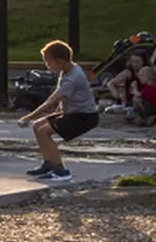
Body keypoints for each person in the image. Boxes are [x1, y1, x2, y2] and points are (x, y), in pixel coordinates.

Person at [21, 39, 98, 181]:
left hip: (84, 117)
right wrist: (55, 113)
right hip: (71, 112)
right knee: (37, 126)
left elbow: (51, 100)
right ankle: (48, 164)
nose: (47, 65)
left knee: (44, 132)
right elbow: (61, 97)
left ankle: (60, 171)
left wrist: (28, 117)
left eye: (48, 62)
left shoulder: (73, 78)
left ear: (60, 61)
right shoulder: (68, 70)